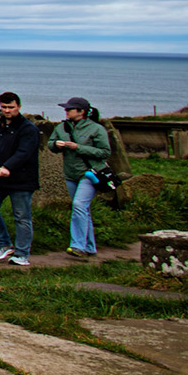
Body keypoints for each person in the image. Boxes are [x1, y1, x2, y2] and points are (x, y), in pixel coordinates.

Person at [0, 92, 40, 266]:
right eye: (4, 107)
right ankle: (4, 244)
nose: (7, 110)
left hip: (21, 180)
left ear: (18, 107)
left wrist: (8, 167)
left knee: (21, 216)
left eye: (11, 107)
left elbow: (25, 152)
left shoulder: (29, 129)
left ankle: (21, 253)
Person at [49, 96, 111, 258]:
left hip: (90, 173)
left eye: (69, 109)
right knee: (83, 209)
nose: (66, 111)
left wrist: (79, 148)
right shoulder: (62, 127)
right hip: (70, 173)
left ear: (81, 112)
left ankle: (77, 246)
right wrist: (56, 145)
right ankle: (89, 246)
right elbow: (51, 143)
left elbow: (105, 152)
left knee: (78, 205)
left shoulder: (96, 129)